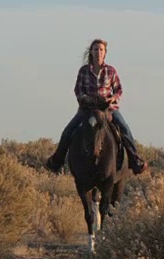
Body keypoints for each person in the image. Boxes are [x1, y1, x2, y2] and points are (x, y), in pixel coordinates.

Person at [45, 38, 148, 175]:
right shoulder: (84, 71)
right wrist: (84, 99)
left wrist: (113, 99)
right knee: (68, 130)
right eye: (95, 49)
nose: (98, 52)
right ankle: (56, 161)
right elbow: (78, 90)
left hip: (107, 108)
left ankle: (135, 161)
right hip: (87, 109)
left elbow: (118, 90)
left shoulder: (111, 71)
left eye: (101, 50)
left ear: (105, 53)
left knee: (124, 128)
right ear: (91, 52)